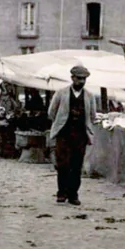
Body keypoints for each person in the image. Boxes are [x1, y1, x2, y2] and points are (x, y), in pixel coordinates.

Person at [48, 65, 96, 206]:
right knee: (63, 165)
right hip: (64, 134)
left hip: (80, 135)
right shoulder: (61, 93)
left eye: (84, 79)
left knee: (76, 165)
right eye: (79, 78)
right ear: (72, 78)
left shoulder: (89, 96)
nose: (81, 81)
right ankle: (61, 193)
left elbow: (92, 116)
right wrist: (61, 123)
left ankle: (73, 194)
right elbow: (52, 112)